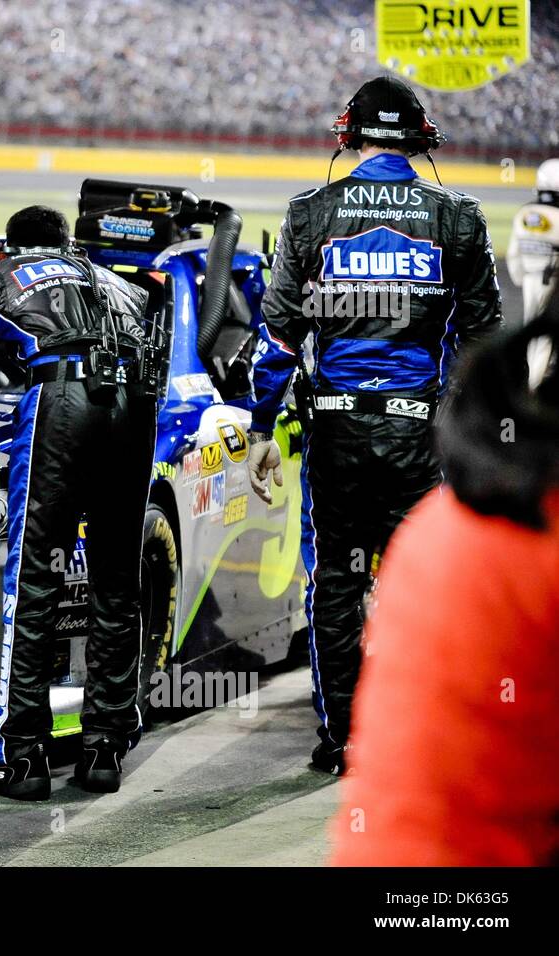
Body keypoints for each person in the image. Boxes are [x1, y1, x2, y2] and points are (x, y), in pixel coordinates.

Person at [247, 75, 503, 774]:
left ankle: (344, 742)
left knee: (334, 584)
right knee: (431, 583)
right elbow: (485, 339)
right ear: (422, 140)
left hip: (333, 431)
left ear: (348, 135)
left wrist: (263, 427)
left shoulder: (309, 213)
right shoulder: (459, 214)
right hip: (422, 434)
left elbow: (276, 338)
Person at [0, 205, 157, 801]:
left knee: (33, 582)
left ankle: (23, 759)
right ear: (67, 243)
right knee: (117, 581)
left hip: (62, 404)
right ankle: (105, 749)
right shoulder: (114, 282)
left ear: (9, 246)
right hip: (134, 408)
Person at [332, 311, 559, 865]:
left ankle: (336, 739)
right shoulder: (525, 542)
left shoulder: (447, 521)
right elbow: (479, 308)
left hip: (348, 429)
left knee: (338, 579)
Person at [506, 158, 559, 324]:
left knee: (531, 326)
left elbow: (513, 254)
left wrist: (520, 277)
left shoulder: (524, 212)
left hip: (530, 277)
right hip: (554, 279)